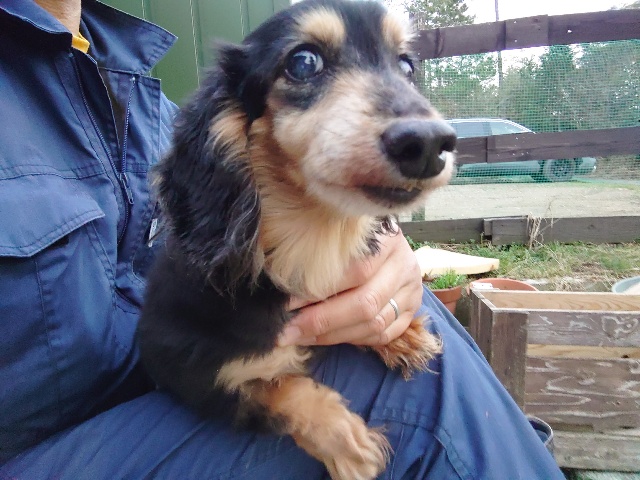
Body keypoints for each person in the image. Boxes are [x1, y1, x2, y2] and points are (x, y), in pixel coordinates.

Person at [0, 0, 565, 478]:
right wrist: (291, 403)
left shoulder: (119, 73)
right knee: (417, 398)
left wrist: (383, 258)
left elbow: (220, 213)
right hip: (53, 447)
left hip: (163, 392)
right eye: (305, 63)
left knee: (420, 327)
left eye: (402, 63)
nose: (418, 122)